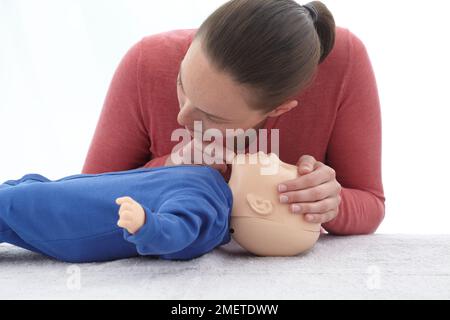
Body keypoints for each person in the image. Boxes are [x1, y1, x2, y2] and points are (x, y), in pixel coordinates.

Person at [82, 0, 385, 235]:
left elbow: (371, 202)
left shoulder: (343, 63)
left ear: (279, 108)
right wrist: (169, 168)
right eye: (182, 83)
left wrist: (331, 203)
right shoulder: (146, 62)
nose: (182, 116)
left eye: (211, 115)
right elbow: (83, 202)